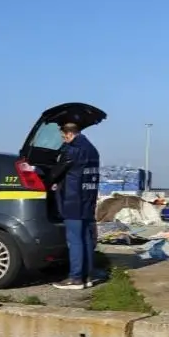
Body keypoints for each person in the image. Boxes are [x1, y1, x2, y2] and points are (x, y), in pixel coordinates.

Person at [48, 122, 101, 290]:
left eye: (64, 137)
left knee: (74, 240)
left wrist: (50, 181)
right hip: (88, 199)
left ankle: (75, 278)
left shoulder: (72, 150)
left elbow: (57, 171)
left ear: (69, 134)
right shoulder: (92, 149)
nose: (64, 141)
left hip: (73, 200)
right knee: (85, 237)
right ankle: (88, 276)